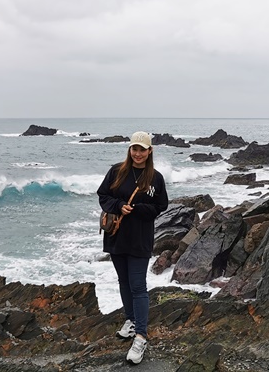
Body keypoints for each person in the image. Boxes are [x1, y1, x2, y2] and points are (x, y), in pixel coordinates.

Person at [97, 130, 168, 365]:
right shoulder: (117, 171)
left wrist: (137, 208)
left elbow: (161, 205)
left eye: (142, 149)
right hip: (116, 236)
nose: (138, 153)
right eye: (134, 149)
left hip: (140, 238)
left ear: (150, 151)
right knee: (124, 281)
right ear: (130, 149)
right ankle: (130, 320)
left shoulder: (155, 178)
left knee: (138, 285)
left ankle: (141, 336)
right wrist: (118, 206)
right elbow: (103, 195)